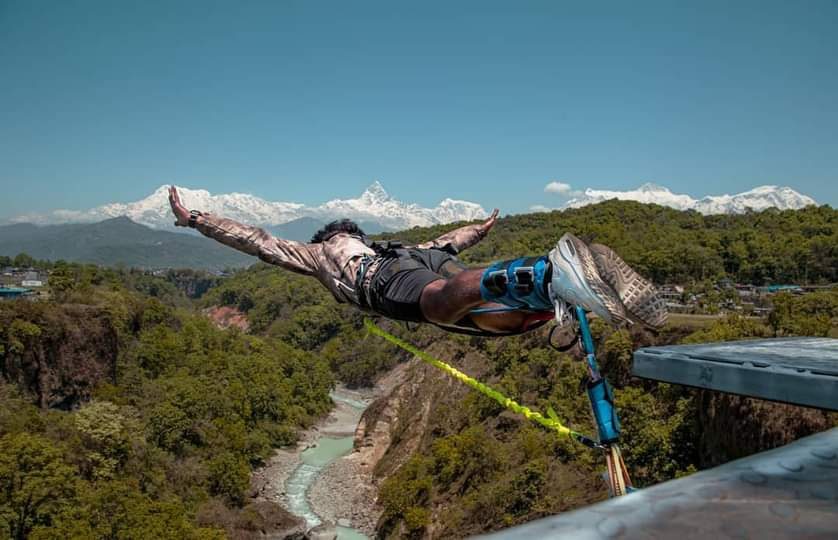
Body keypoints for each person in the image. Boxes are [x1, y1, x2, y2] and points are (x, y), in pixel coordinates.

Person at [168, 187, 666, 335]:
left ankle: (543, 272)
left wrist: (196, 220)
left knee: (435, 303)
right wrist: (482, 228)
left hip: (383, 288)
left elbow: (257, 240)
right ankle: (552, 290)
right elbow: (451, 241)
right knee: (493, 321)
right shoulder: (402, 248)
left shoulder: (322, 253)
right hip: (416, 267)